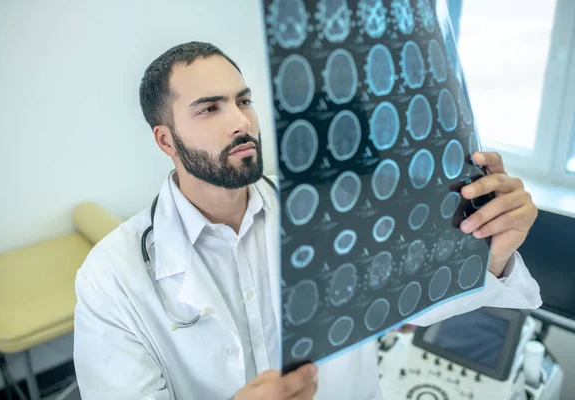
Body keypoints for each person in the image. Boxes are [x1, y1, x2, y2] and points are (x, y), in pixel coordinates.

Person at [73, 41, 542, 400]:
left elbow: (413, 297)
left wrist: (493, 251)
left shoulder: (327, 205)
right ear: (166, 140)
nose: (240, 122)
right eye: (210, 108)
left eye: (244, 100)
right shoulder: (111, 277)